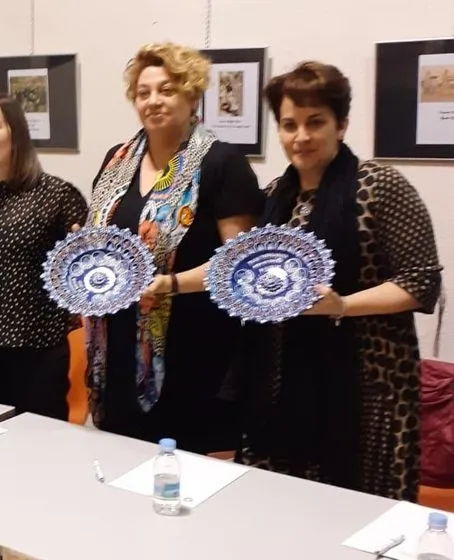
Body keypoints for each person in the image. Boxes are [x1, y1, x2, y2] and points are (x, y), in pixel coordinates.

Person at [236, 61, 443, 501]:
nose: (301, 136)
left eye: (316, 122)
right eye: (289, 124)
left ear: (341, 124)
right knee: (282, 511)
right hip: (283, 383)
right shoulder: (275, 195)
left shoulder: (381, 185)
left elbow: (422, 281)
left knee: (359, 513)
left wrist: (343, 305)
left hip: (368, 387)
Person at [84, 42, 265, 454]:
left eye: (166, 90)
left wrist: (172, 284)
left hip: (193, 349)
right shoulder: (117, 159)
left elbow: (240, 265)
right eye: (144, 93)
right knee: (120, 461)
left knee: (180, 475)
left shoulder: (222, 164)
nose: (153, 101)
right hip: (117, 345)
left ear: (191, 94)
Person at [0, 91, 88, 421]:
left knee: (40, 449)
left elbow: (84, 268)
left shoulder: (57, 194)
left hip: (37, 347)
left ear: (16, 133)